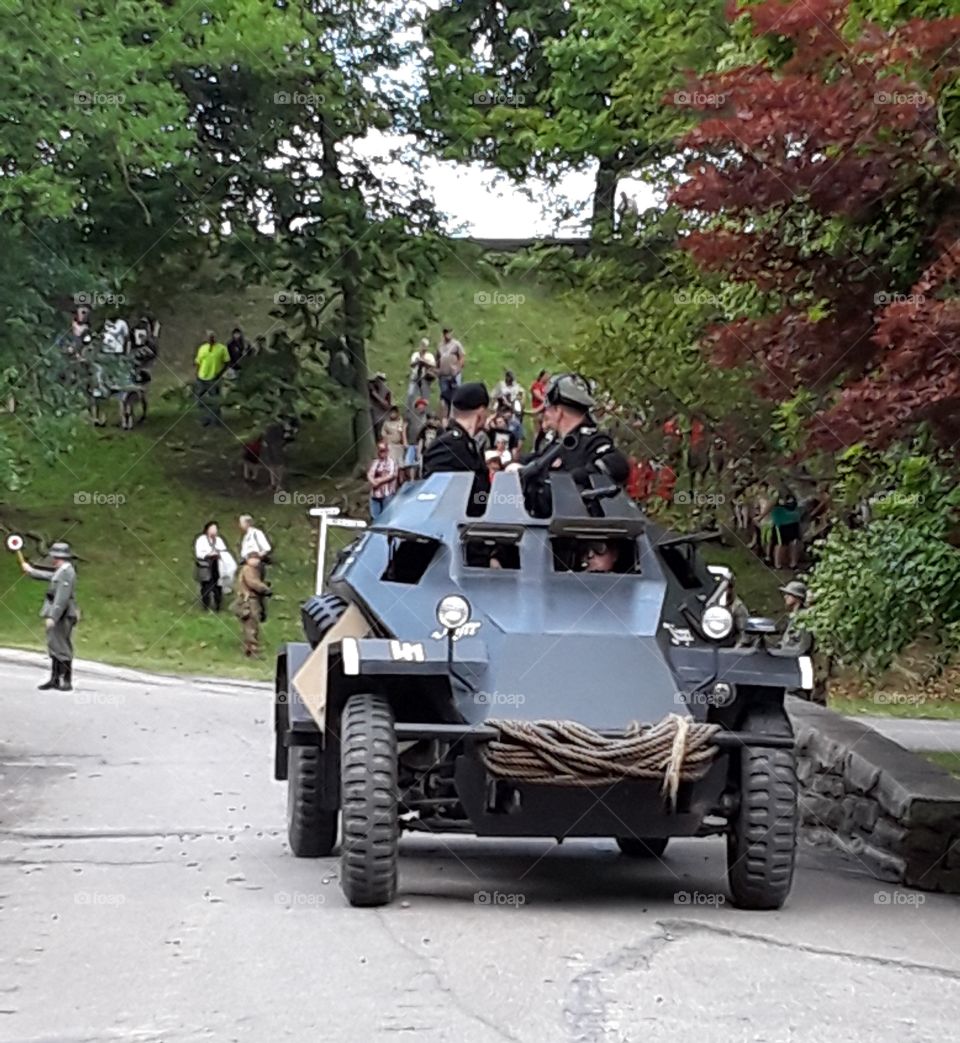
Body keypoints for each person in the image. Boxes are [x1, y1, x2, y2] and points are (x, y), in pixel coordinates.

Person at [522, 373, 630, 517]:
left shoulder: (593, 442)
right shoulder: (555, 445)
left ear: (558, 411)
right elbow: (535, 461)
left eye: (547, 408)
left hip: (580, 533)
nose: (544, 413)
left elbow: (617, 465)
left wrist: (567, 481)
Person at [422, 381, 491, 516]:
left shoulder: (467, 444)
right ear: (481, 413)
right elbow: (435, 497)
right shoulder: (448, 445)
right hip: (451, 531)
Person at [21, 542, 79, 691]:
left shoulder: (67, 571)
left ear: (59, 557)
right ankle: (55, 678)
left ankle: (66, 680)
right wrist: (31, 571)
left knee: (62, 646)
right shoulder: (62, 570)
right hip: (60, 613)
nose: (52, 559)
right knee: (54, 644)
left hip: (63, 615)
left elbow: (62, 597)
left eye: (54, 556)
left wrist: (53, 616)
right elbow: (50, 576)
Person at [232, 550, 271, 657]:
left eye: (258, 559)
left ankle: (249, 648)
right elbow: (253, 583)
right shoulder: (248, 569)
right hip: (249, 600)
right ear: (249, 560)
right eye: (254, 559)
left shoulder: (251, 569)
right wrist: (264, 589)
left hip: (250, 599)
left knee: (252, 623)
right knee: (251, 623)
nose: (257, 561)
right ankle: (252, 648)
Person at [763, 484, 802, 570]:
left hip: (793, 521)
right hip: (781, 523)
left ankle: (793, 563)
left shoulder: (793, 491)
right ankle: (777, 564)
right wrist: (761, 516)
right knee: (780, 544)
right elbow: (770, 504)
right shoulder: (775, 493)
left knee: (793, 543)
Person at [195, 332, 230, 425]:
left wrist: (220, 374)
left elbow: (227, 362)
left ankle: (215, 420)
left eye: (212, 337)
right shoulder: (202, 348)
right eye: (208, 337)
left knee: (214, 399)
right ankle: (205, 418)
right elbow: (198, 361)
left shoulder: (222, 348)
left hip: (214, 378)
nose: (210, 339)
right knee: (200, 400)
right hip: (201, 377)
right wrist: (197, 374)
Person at [194, 521, 229, 611]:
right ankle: (206, 606)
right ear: (207, 529)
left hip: (217, 565)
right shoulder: (201, 540)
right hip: (206, 565)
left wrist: (219, 554)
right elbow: (199, 553)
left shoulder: (219, 540)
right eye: (212, 528)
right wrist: (209, 554)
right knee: (206, 587)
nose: (214, 530)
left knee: (218, 586)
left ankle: (218, 606)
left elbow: (224, 551)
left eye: (216, 529)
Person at [775, 580, 813, 656]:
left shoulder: (803, 619)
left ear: (798, 598)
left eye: (789, 594)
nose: (785, 596)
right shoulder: (794, 617)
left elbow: (802, 648)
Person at [436, 328, 465, 421]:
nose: (448, 334)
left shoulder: (456, 344)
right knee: (444, 398)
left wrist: (458, 368)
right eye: (446, 332)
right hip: (443, 376)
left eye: (449, 332)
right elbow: (437, 358)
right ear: (443, 333)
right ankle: (445, 419)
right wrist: (437, 370)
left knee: (455, 396)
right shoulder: (440, 345)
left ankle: (454, 418)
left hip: (454, 375)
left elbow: (462, 356)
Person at [367, 441, 399, 519]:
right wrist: (373, 481)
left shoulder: (391, 462)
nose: (382, 453)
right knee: (375, 516)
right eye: (380, 450)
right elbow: (369, 473)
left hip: (387, 493)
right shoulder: (375, 462)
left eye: (383, 450)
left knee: (386, 516)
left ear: (387, 451)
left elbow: (391, 475)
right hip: (375, 493)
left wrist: (379, 481)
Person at [407, 338, 437, 406]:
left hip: (425, 378)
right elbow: (411, 364)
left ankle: (424, 413)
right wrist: (418, 361)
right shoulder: (415, 354)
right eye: (422, 345)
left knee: (425, 397)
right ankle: (410, 412)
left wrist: (424, 362)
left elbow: (433, 365)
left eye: (425, 345)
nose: (423, 347)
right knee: (411, 394)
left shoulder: (429, 355)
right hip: (415, 378)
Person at [381, 404, 407, 471]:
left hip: (399, 446)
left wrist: (404, 443)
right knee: (392, 462)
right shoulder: (386, 423)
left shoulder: (400, 422)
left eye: (394, 412)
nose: (392, 414)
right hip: (390, 446)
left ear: (397, 413)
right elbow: (383, 434)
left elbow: (402, 433)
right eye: (391, 412)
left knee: (401, 464)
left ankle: (401, 478)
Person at [367, 371, 392, 441]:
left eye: (381, 380)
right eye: (378, 379)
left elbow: (388, 406)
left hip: (381, 415)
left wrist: (383, 403)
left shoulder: (387, 391)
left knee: (380, 431)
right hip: (372, 412)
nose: (380, 381)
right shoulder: (370, 387)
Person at [530, 369, 550, 438]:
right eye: (546, 375)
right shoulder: (536, 385)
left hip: (547, 411)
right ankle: (536, 446)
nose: (548, 377)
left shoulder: (548, 386)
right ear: (542, 376)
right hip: (537, 410)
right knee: (537, 431)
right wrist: (547, 400)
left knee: (547, 430)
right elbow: (538, 395)